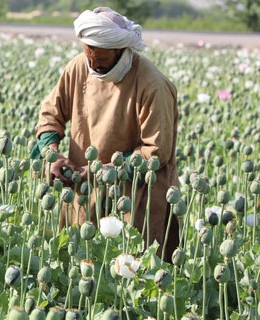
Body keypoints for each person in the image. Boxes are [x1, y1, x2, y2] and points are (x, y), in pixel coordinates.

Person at [32, 7, 179, 258]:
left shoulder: (151, 84)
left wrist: (105, 171)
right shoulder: (78, 68)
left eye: (100, 60)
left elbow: (156, 152)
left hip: (135, 199)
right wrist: (52, 154)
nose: (93, 65)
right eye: (89, 57)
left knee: (133, 273)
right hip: (84, 193)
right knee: (83, 268)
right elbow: (50, 116)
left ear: (121, 50)